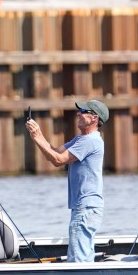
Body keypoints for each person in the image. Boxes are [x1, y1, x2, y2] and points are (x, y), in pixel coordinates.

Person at [25, 100, 108, 262]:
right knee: (83, 256)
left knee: (78, 260)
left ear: (94, 118)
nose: (78, 113)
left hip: (85, 207)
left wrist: (37, 136)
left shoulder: (90, 141)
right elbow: (55, 152)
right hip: (85, 207)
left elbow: (58, 160)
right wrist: (37, 135)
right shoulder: (81, 139)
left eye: (83, 111)